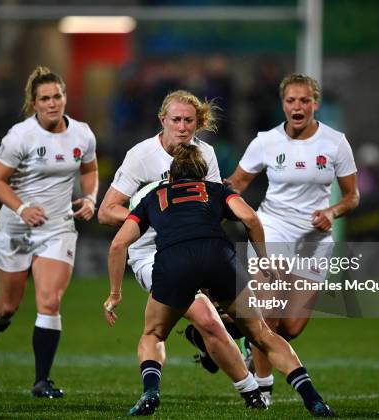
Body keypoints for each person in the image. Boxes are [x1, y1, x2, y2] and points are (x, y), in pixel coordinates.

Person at [103, 144, 335, 417]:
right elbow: (250, 217)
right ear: (203, 175)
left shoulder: (154, 197)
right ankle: (313, 399)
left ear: (172, 176)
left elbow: (118, 245)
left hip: (174, 263)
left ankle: (151, 392)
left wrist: (115, 294)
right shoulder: (215, 190)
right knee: (262, 334)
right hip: (219, 258)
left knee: (154, 333)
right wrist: (263, 259)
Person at [98, 90, 264, 407]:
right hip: (152, 255)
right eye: (176, 120)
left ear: (198, 123)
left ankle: (217, 350)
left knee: (236, 316)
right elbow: (106, 211)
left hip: (195, 249)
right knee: (208, 319)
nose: (183, 127)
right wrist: (152, 217)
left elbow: (212, 205)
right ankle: (252, 393)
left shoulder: (206, 155)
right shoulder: (141, 156)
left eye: (189, 120)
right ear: (163, 120)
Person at [223, 73, 359, 405]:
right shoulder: (266, 141)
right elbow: (236, 184)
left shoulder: (335, 142)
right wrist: (206, 196)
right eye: (291, 101)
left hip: (314, 240)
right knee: (268, 315)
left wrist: (333, 212)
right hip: (273, 230)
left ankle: (229, 328)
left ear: (316, 103)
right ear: (283, 103)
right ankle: (262, 387)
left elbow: (352, 196)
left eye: (304, 100)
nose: (297, 107)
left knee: (293, 326)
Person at [0, 66, 99, 398]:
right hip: (15, 228)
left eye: (58, 96)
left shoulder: (82, 134)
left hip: (58, 229)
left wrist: (91, 198)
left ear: (65, 96)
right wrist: (23, 208)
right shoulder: (19, 137)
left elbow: (90, 168)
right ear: (34, 103)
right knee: (9, 306)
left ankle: (41, 381)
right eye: (45, 98)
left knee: (50, 301)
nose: (53, 103)